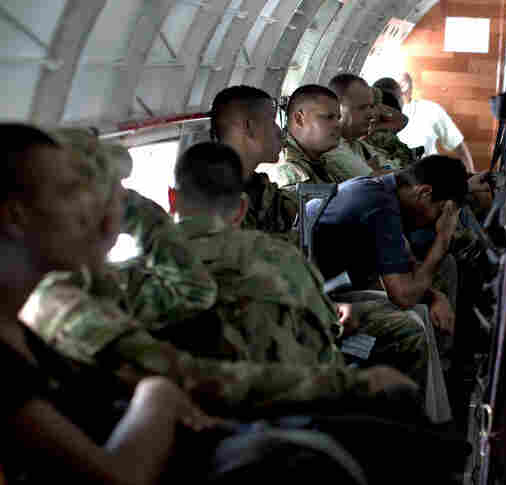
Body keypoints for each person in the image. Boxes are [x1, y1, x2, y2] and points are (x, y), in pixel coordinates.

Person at [0, 123, 226, 485]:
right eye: (68, 192)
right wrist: (157, 396)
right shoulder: (15, 348)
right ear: (15, 215)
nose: (88, 210)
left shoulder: (23, 335)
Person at [169, 141, 428, 397]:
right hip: (283, 407)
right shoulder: (282, 258)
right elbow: (329, 334)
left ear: (172, 199)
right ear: (241, 209)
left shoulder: (139, 270)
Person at [311, 155, 466, 334]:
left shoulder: (384, 192)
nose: (437, 221)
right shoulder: (379, 203)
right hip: (319, 295)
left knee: (439, 275)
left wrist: (434, 296)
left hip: (337, 284)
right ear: (424, 192)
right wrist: (443, 238)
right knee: (415, 322)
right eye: (440, 212)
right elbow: (403, 296)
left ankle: (445, 358)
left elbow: (407, 264)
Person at [209, 85, 298, 237]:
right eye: (272, 121)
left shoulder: (262, 190)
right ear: (250, 127)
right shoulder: (208, 200)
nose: (279, 132)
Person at [397, 72, 475, 172]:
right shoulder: (375, 115)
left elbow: (459, 146)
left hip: (428, 178)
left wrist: (470, 177)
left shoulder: (431, 110)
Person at [271, 84, 345, 187]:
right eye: (329, 117)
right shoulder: (287, 168)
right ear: (299, 119)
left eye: (338, 118)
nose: (338, 124)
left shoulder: (320, 160)